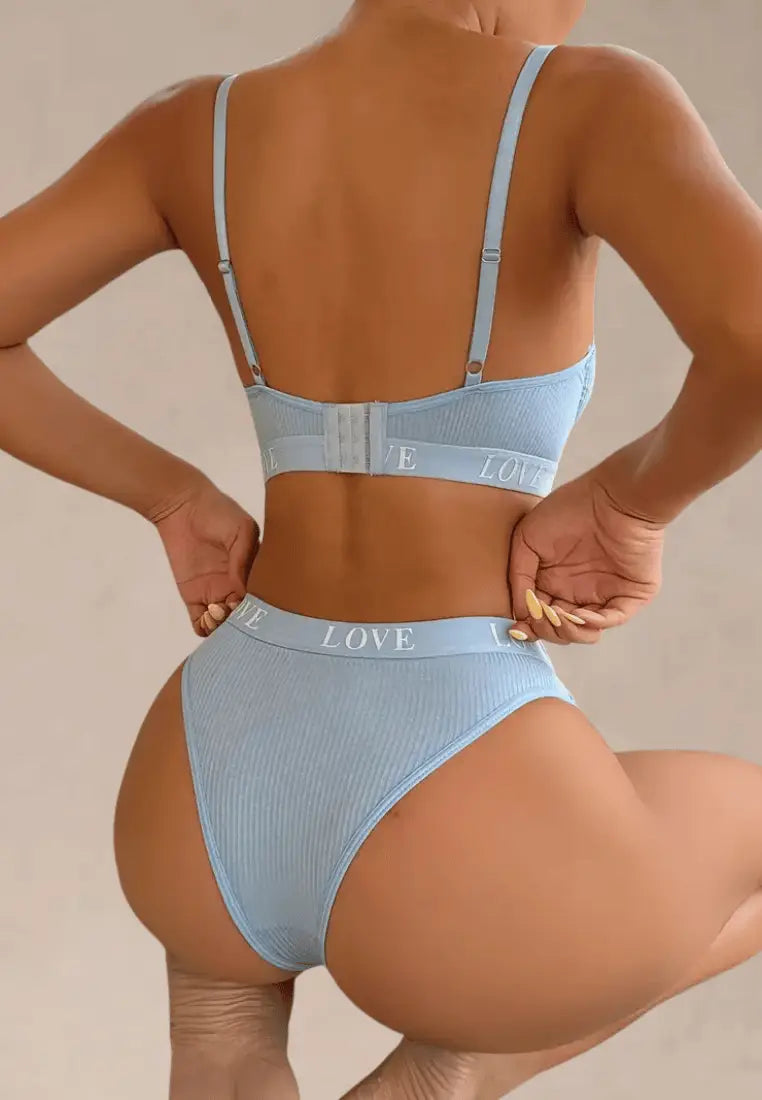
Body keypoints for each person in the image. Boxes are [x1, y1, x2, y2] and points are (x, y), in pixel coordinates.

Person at [2, 0, 762, 1096]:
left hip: (216, 764)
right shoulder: (592, 102)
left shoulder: (194, 126)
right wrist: (630, 504)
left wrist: (170, 496)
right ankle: (446, 1076)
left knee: (221, 1044)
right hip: (455, 777)